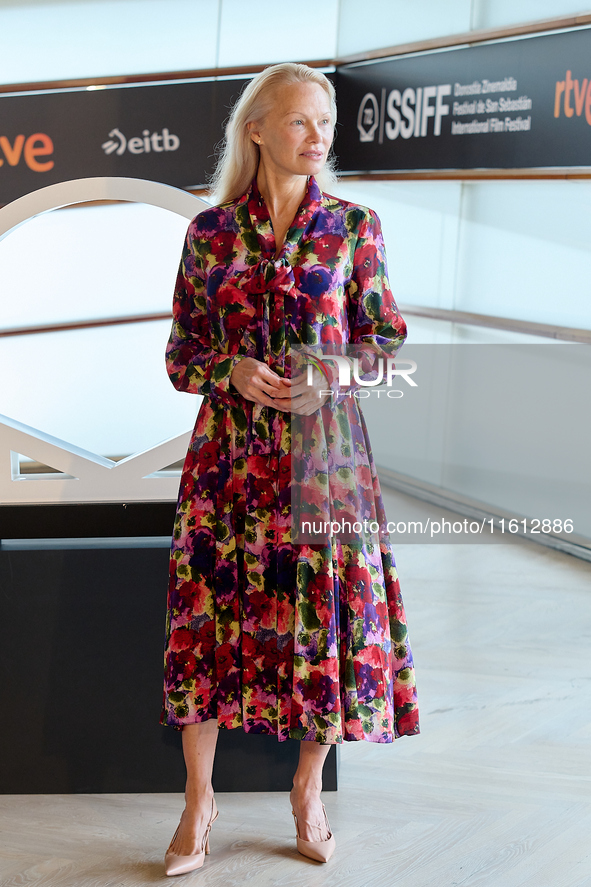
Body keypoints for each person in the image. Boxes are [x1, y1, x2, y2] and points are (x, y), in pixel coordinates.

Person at [159, 62, 419, 875]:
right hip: (227, 465)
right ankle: (198, 802)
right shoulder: (209, 233)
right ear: (259, 129)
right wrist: (227, 371)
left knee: (325, 624)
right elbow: (180, 355)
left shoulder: (353, 226)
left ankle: (307, 791)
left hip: (324, 461)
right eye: (302, 122)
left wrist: (334, 370)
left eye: (326, 124)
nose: (319, 138)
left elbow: (385, 340)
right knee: (207, 622)